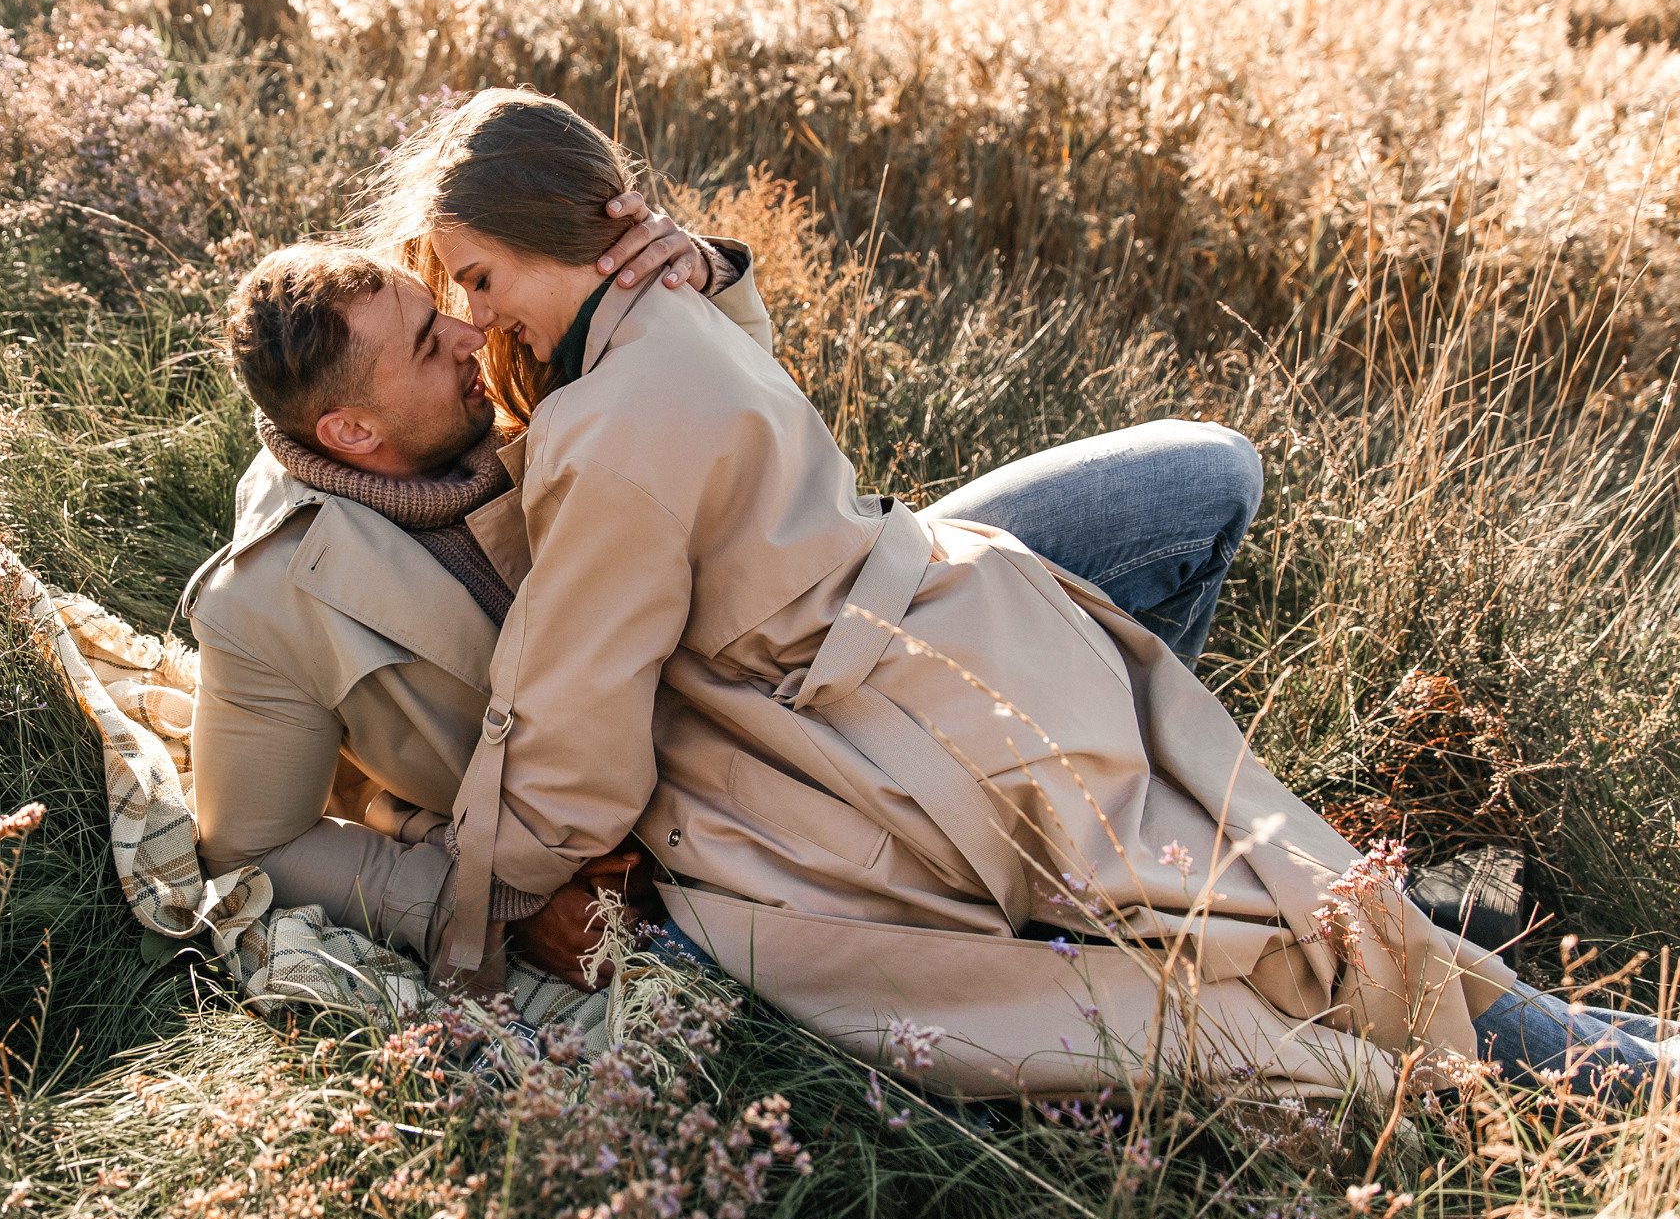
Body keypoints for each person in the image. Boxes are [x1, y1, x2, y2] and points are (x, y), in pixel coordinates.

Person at [356, 85, 1669, 1103]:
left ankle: (1608, 1086)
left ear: (578, 233)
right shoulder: (663, 328)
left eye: (479, 278)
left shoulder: (607, 424)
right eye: (452, 293)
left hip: (911, 720)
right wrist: (703, 277)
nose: (474, 321)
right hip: (985, 622)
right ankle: (1614, 1053)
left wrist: (469, 917)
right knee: (1299, 921)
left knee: (1266, 949)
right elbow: (717, 448)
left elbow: (574, 743)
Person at [186, 217, 1263, 1008]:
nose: (470, 337)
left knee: (1200, 479)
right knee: (1041, 993)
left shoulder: (499, 360)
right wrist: (481, 906)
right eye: (430, 346)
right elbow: (255, 837)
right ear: (354, 435)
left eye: (445, 310)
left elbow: (751, 425)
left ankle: (1119, 827)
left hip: (834, 628)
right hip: (728, 824)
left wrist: (702, 278)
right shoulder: (269, 600)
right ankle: (1134, 895)